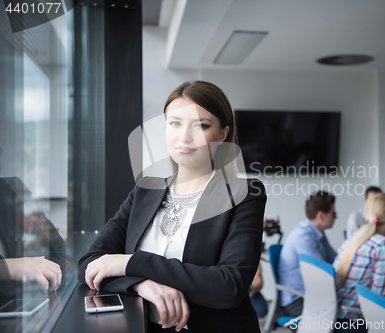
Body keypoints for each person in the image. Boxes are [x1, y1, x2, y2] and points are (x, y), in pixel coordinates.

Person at [77, 81, 267, 333]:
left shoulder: (245, 194)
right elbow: (89, 264)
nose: (184, 136)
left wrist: (131, 263)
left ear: (222, 135)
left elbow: (228, 287)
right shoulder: (145, 190)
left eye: (201, 125)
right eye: (175, 123)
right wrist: (140, 284)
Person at [333, 193, 385, 329]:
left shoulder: (355, 237)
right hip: (356, 321)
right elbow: (380, 296)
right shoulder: (383, 244)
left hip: (336, 318)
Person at [278, 191, 337, 317]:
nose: (336, 217)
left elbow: (334, 259)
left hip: (311, 295)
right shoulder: (304, 238)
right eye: (334, 213)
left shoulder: (317, 232)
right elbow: (323, 276)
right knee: (347, 320)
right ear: (321, 216)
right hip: (297, 301)